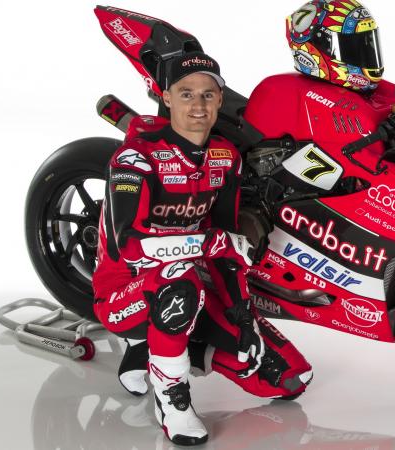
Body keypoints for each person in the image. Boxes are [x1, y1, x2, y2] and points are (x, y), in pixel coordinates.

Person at [92, 51, 312, 446]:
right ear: (166, 98)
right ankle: (172, 398)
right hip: (124, 293)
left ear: (220, 99)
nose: (198, 105)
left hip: (190, 282)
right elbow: (130, 247)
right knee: (178, 279)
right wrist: (210, 242)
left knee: (289, 379)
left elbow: (227, 247)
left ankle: (157, 351)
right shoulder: (135, 157)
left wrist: (243, 317)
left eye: (208, 95)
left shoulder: (225, 157)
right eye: (186, 94)